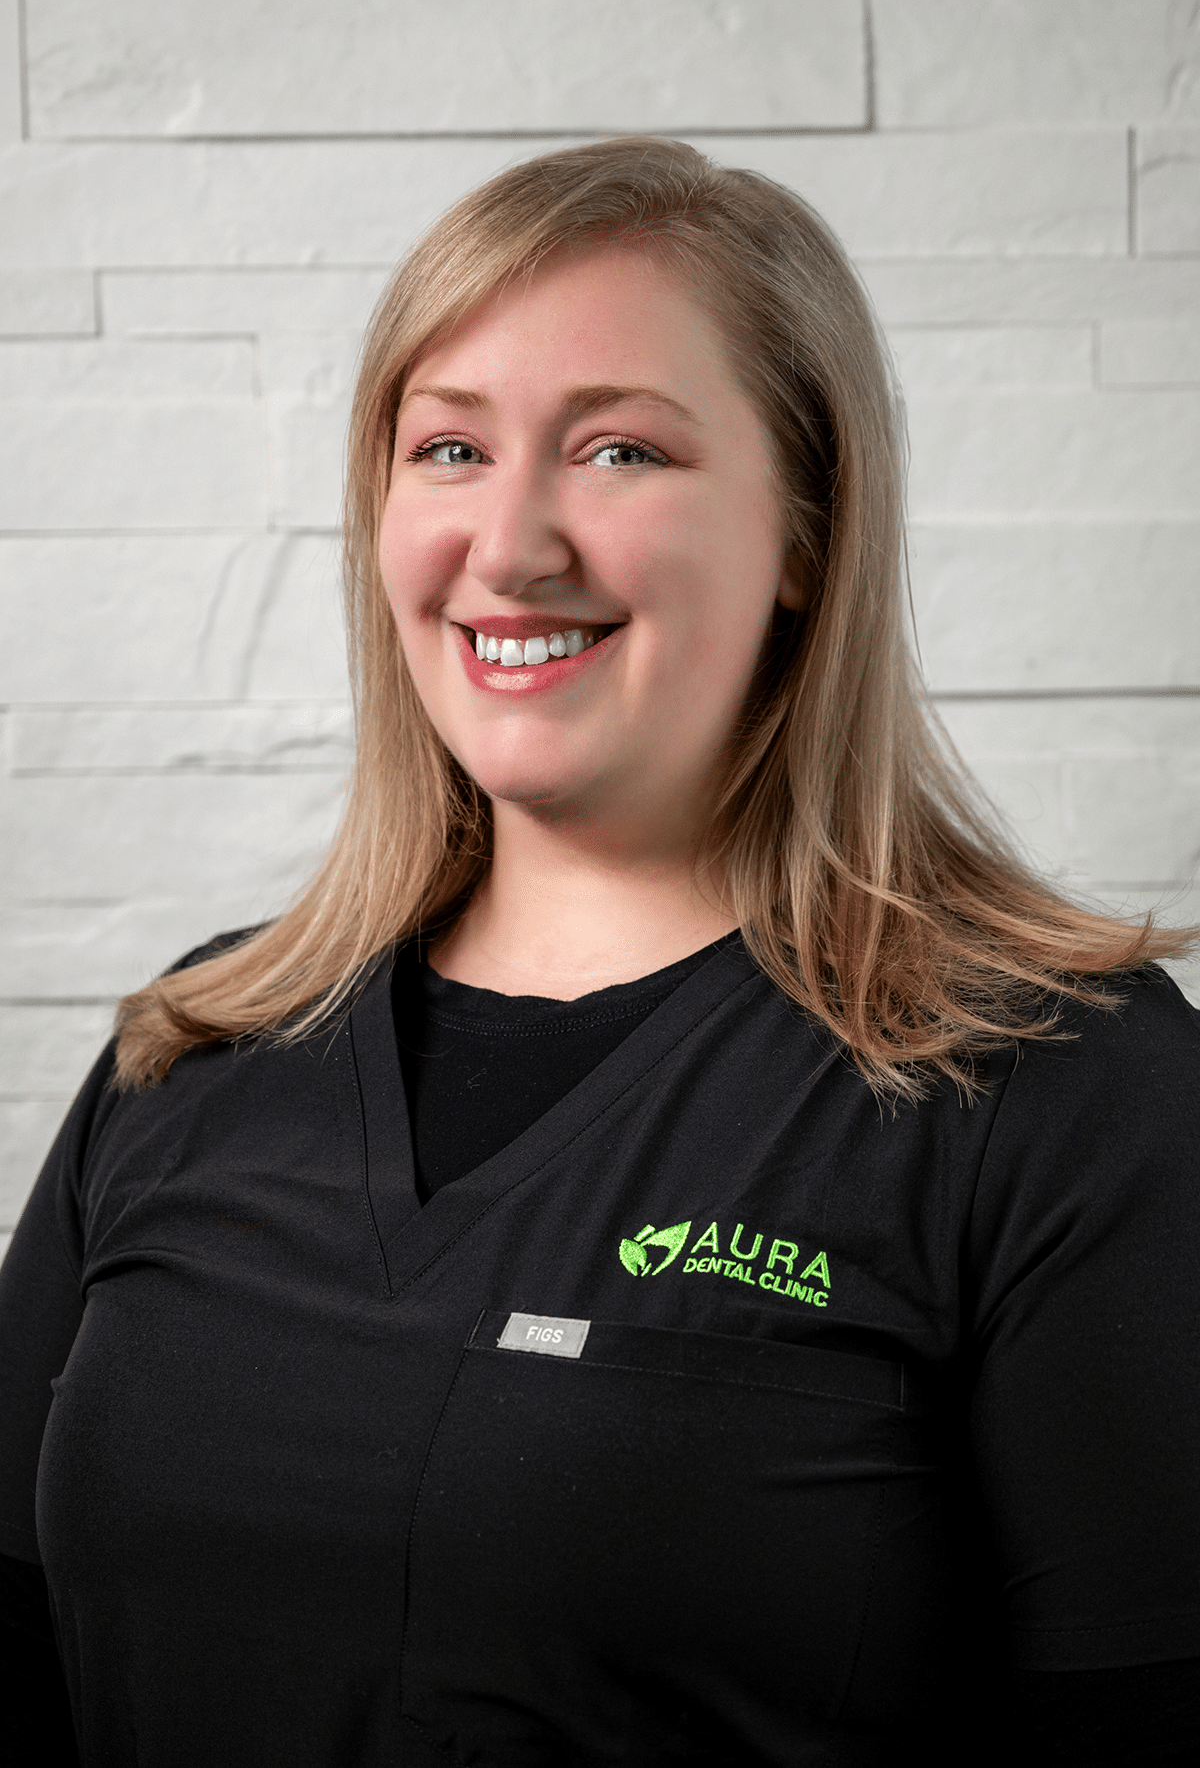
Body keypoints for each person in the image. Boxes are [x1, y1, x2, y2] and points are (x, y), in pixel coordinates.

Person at [1, 136, 1198, 1768]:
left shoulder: (1055, 1084)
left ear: (804, 535)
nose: (510, 546)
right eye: (446, 450)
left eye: (620, 449)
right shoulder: (194, 1051)